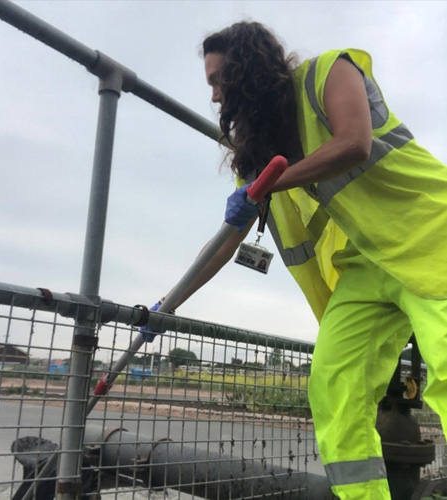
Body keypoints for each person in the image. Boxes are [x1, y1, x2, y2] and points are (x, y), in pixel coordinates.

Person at [153, 22, 447, 500]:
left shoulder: (329, 72)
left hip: (430, 236)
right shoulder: (262, 150)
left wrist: (269, 184)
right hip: (367, 264)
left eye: (218, 79)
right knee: (335, 389)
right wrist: (168, 304)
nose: (214, 96)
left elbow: (355, 143)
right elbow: (227, 241)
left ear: (248, 68)